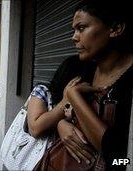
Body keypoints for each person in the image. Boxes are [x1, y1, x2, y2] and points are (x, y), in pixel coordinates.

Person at [54, 0, 132, 170]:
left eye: (81, 28)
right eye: (74, 30)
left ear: (115, 28)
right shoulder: (75, 68)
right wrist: (61, 125)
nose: (74, 37)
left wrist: (74, 95)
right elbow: (49, 117)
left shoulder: (129, 81)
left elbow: (124, 159)